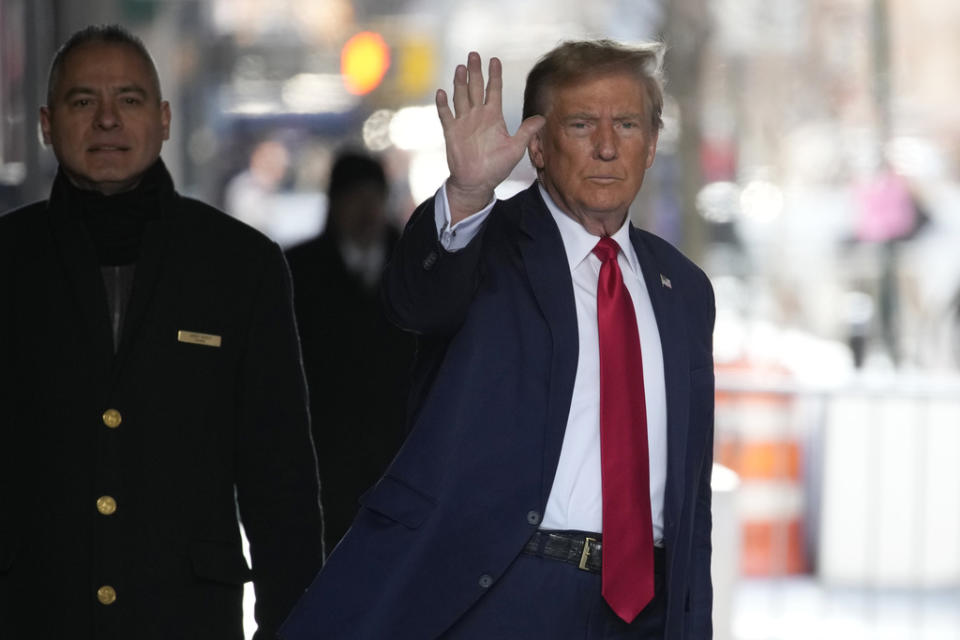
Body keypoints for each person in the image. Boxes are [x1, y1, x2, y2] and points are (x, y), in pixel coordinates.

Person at [281, 39, 715, 639]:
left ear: (653, 142)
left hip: (646, 610)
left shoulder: (685, 290)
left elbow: (692, 493)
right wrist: (465, 196)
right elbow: (413, 300)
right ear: (537, 145)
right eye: (583, 124)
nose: (608, 146)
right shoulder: (484, 243)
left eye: (628, 124)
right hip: (503, 593)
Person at [0, 25, 323, 639]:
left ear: (165, 117)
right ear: (45, 123)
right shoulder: (8, 261)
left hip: (186, 616)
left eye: (129, 99)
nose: (106, 120)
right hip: (33, 610)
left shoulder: (239, 265)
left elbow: (280, 481)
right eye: (81, 101)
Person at [286, 150, 415, 553]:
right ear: (334, 203)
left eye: (372, 197)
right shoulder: (296, 272)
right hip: (323, 461)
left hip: (404, 459)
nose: (365, 210)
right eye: (353, 198)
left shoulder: (419, 267)